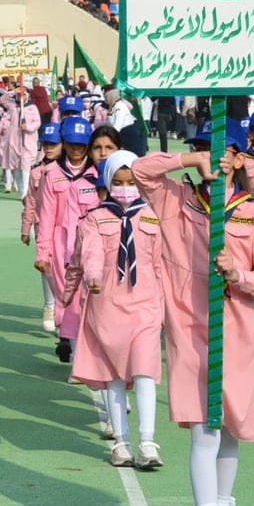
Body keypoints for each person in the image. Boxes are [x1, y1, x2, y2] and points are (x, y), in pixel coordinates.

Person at [132, 133, 254, 506]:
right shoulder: (175, 199)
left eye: (221, 151)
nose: (213, 158)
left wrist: (239, 275)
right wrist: (188, 158)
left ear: (238, 159)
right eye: (205, 149)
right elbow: (141, 170)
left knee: (232, 428)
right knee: (205, 429)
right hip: (190, 329)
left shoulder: (253, 214)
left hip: (237, 332)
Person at [72, 150, 164, 468]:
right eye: (118, 182)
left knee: (144, 372)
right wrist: (94, 277)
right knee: (113, 376)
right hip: (108, 305)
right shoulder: (96, 218)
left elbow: (162, 261)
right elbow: (92, 253)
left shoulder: (153, 215)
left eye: (131, 181)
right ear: (108, 184)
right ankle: (121, 443)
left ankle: (148, 442)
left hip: (146, 305)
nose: (126, 188)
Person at [35, 117, 100, 363]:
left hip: (91, 247)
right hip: (61, 248)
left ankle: (81, 348)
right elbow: (46, 216)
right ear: (63, 143)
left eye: (81, 144)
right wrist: (42, 253)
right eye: (71, 144)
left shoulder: (97, 173)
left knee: (91, 301)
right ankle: (76, 355)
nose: (76, 149)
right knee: (69, 302)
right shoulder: (52, 175)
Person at [21, 123, 62, 333]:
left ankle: (64, 308)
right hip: (42, 226)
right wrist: (25, 227)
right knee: (45, 265)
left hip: (65, 226)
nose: (48, 148)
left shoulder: (69, 170)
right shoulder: (37, 170)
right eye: (45, 144)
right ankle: (49, 306)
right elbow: (30, 201)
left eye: (53, 144)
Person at [0, 88, 41, 196]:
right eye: (19, 95)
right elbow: (2, 99)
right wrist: (14, 91)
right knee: (15, 167)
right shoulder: (13, 106)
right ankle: (21, 188)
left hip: (27, 140)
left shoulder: (32, 107)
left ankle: (25, 191)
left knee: (26, 164)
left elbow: (37, 122)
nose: (21, 97)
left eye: (23, 95)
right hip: (14, 140)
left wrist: (28, 127)